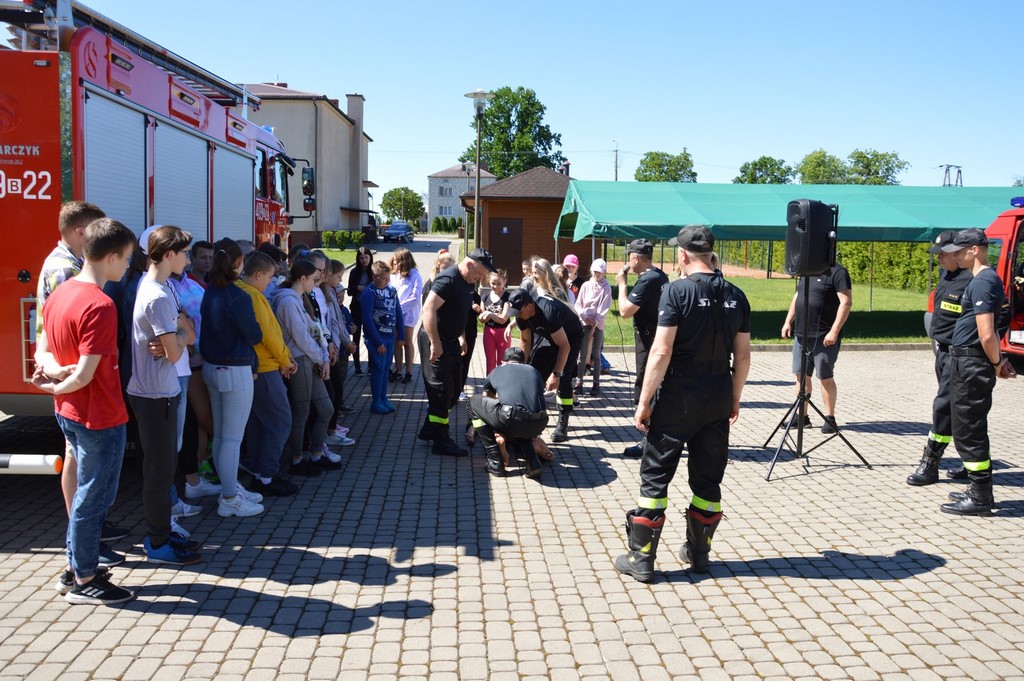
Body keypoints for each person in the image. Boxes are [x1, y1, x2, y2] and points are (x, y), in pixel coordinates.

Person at [614, 225, 752, 583]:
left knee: (655, 475)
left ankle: (641, 558)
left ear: (683, 254)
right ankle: (699, 554)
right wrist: (734, 397)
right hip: (718, 393)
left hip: (679, 395)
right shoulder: (737, 295)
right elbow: (743, 355)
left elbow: (661, 351)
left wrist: (644, 401)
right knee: (708, 479)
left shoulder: (676, 292)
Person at [33, 217, 137, 604]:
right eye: (126, 258)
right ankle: (86, 578)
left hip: (70, 412)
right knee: (94, 500)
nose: (127, 266)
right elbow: (85, 374)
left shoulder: (61, 292)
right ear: (110, 257)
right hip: (99, 416)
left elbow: (43, 350)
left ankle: (75, 565)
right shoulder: (100, 304)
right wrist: (60, 383)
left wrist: (54, 381)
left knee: (85, 497)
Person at [127, 225, 203, 566]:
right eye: (184, 253)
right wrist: (179, 340)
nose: (188, 259)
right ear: (168, 255)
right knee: (158, 473)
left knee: (164, 468)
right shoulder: (156, 295)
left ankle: (162, 531)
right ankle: (157, 541)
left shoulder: (164, 287)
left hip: (163, 390)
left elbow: (187, 333)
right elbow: (173, 353)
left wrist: (179, 338)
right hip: (154, 394)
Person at [940, 228, 1017, 515]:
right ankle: (978, 489)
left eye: (960, 251)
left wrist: (997, 363)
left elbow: (986, 333)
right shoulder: (981, 280)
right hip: (967, 362)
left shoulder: (984, 281)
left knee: (968, 430)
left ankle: (981, 497)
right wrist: (998, 360)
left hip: (972, 364)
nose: (956, 256)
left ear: (974, 250)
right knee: (968, 427)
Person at [199, 238, 265, 518]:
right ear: (238, 263)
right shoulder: (237, 296)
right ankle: (229, 497)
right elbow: (254, 335)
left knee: (222, 435)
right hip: (234, 370)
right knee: (232, 438)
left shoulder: (211, 291)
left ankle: (229, 488)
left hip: (212, 368)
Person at [907, 231, 973, 486]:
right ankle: (972, 462)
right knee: (958, 410)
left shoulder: (973, 279)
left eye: (943, 254)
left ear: (958, 253)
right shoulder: (947, 275)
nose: (939, 259)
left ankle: (930, 465)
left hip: (960, 355)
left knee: (944, 407)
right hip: (943, 352)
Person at [417, 248, 496, 456]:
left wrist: (462, 337)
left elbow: (458, 312)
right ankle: (441, 441)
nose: (480, 278)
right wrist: (435, 343)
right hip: (436, 340)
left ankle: (430, 428)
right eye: (479, 273)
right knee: (441, 392)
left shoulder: (468, 281)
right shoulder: (448, 280)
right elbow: (428, 309)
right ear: (469, 264)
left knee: (455, 390)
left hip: (452, 341)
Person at [272, 259, 341, 476]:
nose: (315, 283)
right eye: (313, 279)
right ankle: (297, 459)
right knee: (301, 411)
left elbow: (315, 330)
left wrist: (323, 358)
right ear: (302, 279)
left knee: (326, 408)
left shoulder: (298, 299)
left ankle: (316, 454)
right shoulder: (287, 302)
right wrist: (320, 359)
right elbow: (301, 337)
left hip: (311, 359)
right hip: (300, 360)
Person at [237, 252, 298, 497]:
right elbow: (268, 334)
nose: (271, 282)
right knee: (281, 421)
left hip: (256, 368)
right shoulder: (253, 295)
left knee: (258, 423)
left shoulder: (242, 291)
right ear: (259, 275)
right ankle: (267, 476)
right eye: (270, 277)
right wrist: (285, 359)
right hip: (265, 367)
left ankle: (257, 470)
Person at [780, 262, 853, 434]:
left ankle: (830, 418)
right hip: (802, 334)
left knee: (825, 377)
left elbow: (846, 302)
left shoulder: (838, 272)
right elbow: (798, 296)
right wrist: (788, 321)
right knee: (801, 375)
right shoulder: (807, 269)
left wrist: (834, 331)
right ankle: (802, 417)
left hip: (824, 336)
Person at [508, 280, 584, 444]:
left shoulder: (548, 312)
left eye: (519, 311)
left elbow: (564, 346)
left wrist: (556, 374)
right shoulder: (522, 315)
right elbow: (525, 341)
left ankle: (563, 422)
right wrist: (521, 367)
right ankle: (530, 419)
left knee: (564, 378)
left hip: (570, 338)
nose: (517, 315)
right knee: (533, 375)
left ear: (529, 306)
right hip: (549, 336)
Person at [615, 239, 670, 457]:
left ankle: (650, 442)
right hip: (656, 335)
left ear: (635, 258)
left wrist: (622, 284)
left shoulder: (647, 279)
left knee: (647, 384)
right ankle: (655, 438)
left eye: (629, 258)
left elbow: (624, 311)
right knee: (654, 385)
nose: (628, 263)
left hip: (649, 339)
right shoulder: (660, 275)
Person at [469, 347, 548, 479]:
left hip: (512, 420)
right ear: (524, 362)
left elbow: (486, 398)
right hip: (540, 423)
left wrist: (489, 425)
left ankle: (495, 460)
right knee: (523, 413)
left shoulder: (497, 370)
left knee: (473, 403)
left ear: (503, 361)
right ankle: (533, 461)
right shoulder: (534, 371)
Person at [361, 260, 405, 414]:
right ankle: (376, 401)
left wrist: (401, 334)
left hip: (390, 336)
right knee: (378, 368)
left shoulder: (391, 291)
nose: (387, 281)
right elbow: (367, 320)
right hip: (377, 338)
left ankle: (383, 398)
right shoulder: (369, 293)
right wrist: (377, 342)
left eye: (388, 277)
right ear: (374, 276)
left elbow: (398, 312)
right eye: (384, 278)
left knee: (386, 368)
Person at [323, 260, 357, 442]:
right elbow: (332, 322)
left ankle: (331, 428)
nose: (340, 280)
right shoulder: (325, 292)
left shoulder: (329, 291)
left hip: (333, 347)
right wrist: (344, 342)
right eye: (338, 276)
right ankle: (329, 430)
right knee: (332, 391)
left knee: (336, 389)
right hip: (328, 349)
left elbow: (337, 321)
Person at [574, 258, 612, 397]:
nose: (597, 274)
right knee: (583, 353)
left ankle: (596, 383)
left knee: (596, 354)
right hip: (585, 322)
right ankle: (579, 382)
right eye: (595, 271)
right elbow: (578, 304)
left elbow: (604, 307)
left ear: (604, 272)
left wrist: (595, 321)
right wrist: (584, 316)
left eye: (600, 272)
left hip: (598, 324)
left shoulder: (606, 287)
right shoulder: (586, 285)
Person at [390, 248, 422, 383]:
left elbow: (415, 297)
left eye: (397, 262)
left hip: (408, 314)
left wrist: (399, 309)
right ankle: (398, 370)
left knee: (407, 342)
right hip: (394, 313)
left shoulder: (415, 275)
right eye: (394, 262)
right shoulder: (394, 275)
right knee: (397, 342)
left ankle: (409, 372)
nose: (395, 264)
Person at [346, 246, 374, 375]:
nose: (364, 260)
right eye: (361, 258)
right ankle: (357, 366)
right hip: (357, 306)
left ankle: (371, 365)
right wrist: (357, 288)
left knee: (370, 336)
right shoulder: (354, 272)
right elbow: (349, 291)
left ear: (370, 257)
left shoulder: (373, 271)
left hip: (370, 308)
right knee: (356, 336)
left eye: (366, 257)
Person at [480, 269, 512, 375]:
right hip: (489, 332)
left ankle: (501, 383)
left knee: (502, 362)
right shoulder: (485, 297)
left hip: (503, 333)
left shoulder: (507, 297)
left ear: (504, 282)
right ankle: (489, 383)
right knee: (490, 362)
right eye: (493, 283)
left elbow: (503, 319)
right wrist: (493, 315)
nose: (495, 286)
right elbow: (481, 319)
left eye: (499, 283)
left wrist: (489, 314)